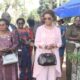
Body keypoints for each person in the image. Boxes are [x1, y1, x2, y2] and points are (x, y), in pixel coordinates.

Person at [33, 10, 62, 80]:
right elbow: (36, 43)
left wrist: (54, 45)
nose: (47, 20)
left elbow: (60, 43)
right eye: (45, 18)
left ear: (53, 18)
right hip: (42, 55)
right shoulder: (39, 29)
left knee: (51, 76)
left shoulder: (57, 29)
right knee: (41, 76)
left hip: (53, 55)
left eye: (49, 18)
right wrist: (45, 46)